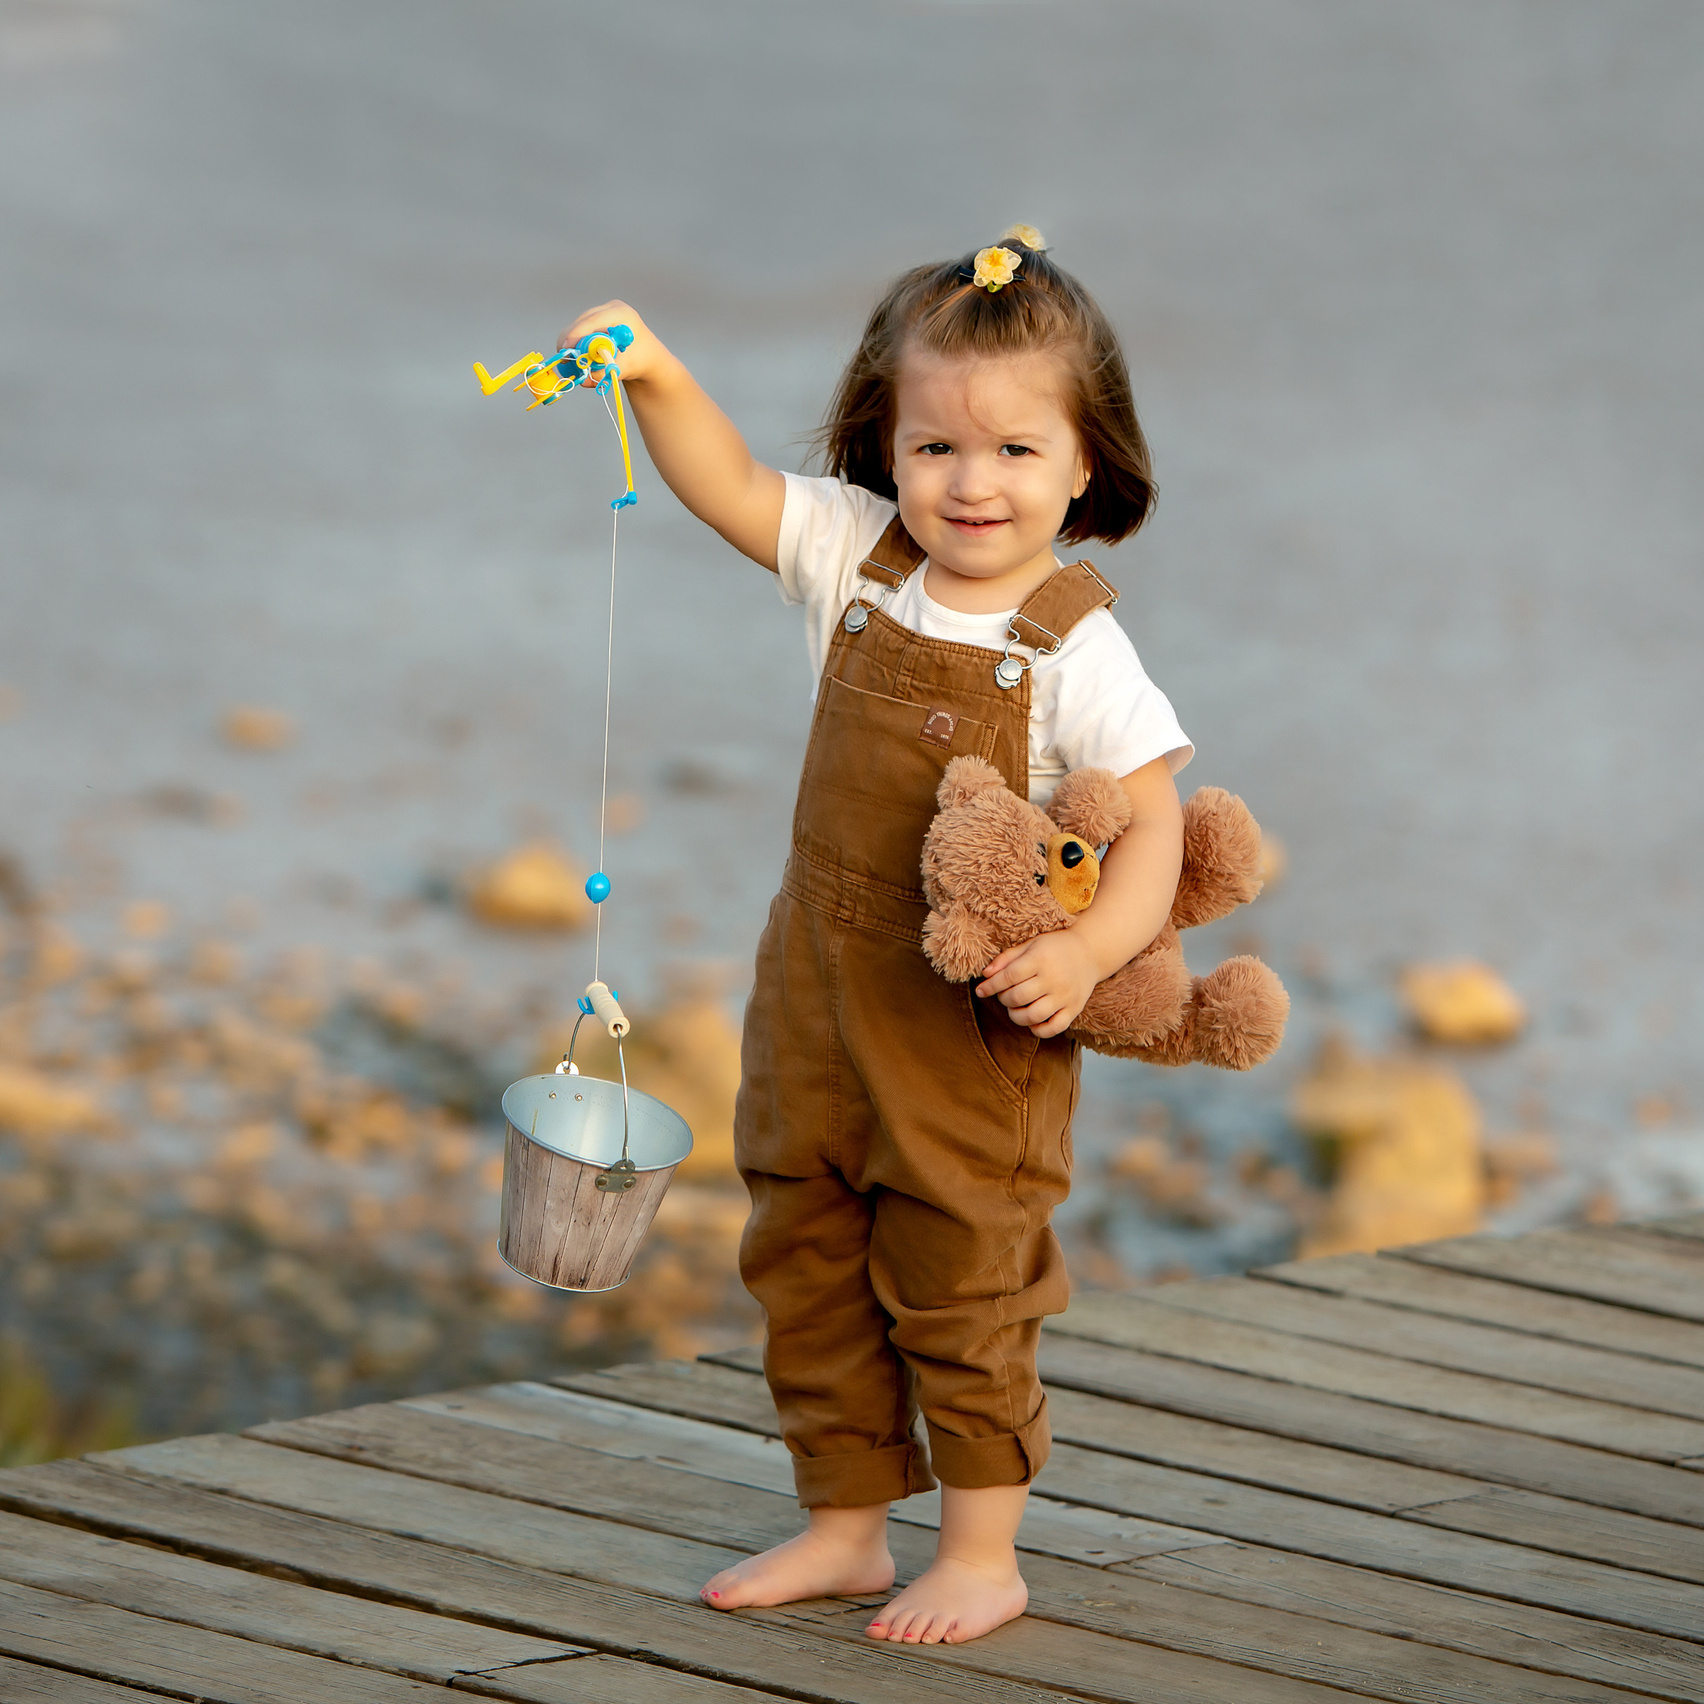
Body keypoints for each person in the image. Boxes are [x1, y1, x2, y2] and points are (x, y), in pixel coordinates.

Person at [557, 226, 1192, 1646]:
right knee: (805, 1239)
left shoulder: (1075, 644)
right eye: (935, 449)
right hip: (818, 994)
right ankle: (844, 1525)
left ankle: (980, 1551)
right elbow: (720, 480)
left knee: (965, 1268)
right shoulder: (854, 558)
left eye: (1019, 453)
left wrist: (1088, 960)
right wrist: (650, 368)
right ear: (883, 444)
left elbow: (1153, 827)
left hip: (968, 1027)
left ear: (1089, 462)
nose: (973, 485)